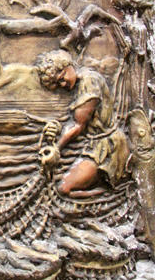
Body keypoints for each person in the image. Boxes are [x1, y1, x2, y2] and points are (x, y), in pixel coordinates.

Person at [36, 50, 128, 198]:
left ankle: (109, 196)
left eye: (62, 78)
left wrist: (56, 148)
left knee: (63, 189)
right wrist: (57, 128)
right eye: (58, 83)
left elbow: (78, 125)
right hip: (95, 145)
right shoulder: (82, 80)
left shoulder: (88, 82)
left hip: (108, 148)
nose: (63, 84)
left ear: (68, 65)